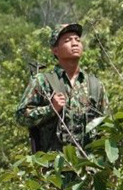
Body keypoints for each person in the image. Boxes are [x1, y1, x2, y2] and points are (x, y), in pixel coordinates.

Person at [16, 23, 109, 153]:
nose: (74, 43)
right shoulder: (42, 81)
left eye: (77, 40)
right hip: (54, 169)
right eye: (67, 40)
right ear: (55, 50)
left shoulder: (95, 85)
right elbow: (20, 116)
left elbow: (106, 128)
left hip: (88, 168)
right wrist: (51, 109)